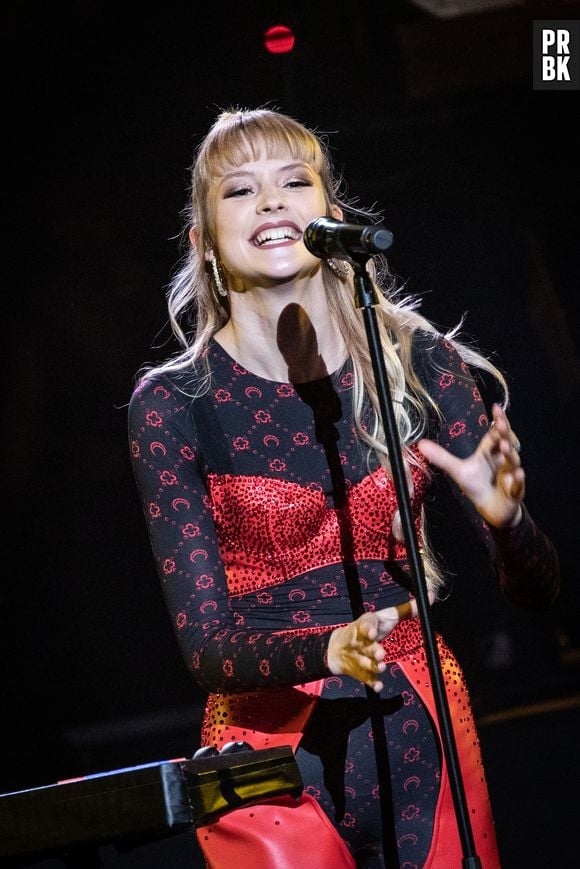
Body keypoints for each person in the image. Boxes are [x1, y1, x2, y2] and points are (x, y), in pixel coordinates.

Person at [128, 107, 559, 868]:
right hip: (268, 758)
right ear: (204, 242)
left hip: (420, 723)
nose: (271, 201)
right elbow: (204, 647)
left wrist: (508, 524)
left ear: (332, 216)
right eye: (240, 190)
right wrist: (327, 646)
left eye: (295, 181)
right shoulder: (173, 403)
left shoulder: (418, 356)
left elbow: (539, 591)